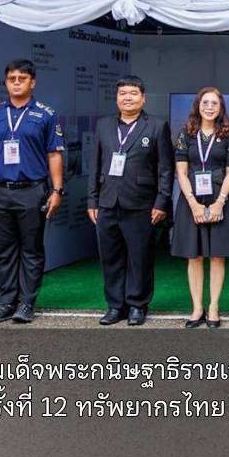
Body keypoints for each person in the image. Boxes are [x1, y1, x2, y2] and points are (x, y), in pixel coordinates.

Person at [0, 59, 66, 324]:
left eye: (22, 78)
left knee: (31, 249)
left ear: (32, 82)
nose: (16, 83)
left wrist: (57, 190)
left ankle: (26, 303)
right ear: (6, 82)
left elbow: (54, 155)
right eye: (12, 78)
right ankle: (7, 302)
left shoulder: (45, 115)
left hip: (32, 191)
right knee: (5, 250)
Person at [87, 76, 174, 327]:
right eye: (123, 93)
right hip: (107, 203)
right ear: (116, 98)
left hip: (142, 204)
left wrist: (161, 203)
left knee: (140, 257)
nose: (127, 97)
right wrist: (92, 201)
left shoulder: (157, 126)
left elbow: (165, 170)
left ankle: (137, 305)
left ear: (143, 98)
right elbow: (94, 165)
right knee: (110, 257)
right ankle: (115, 306)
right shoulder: (104, 125)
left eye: (133, 93)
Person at [171, 87, 229, 329]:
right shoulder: (186, 134)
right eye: (205, 102)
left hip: (220, 198)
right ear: (198, 105)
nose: (209, 107)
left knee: (217, 256)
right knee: (195, 255)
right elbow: (181, 170)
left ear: (221, 107)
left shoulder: (228, 134)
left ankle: (213, 307)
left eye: (214, 103)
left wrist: (220, 201)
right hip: (191, 200)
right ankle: (197, 307)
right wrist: (192, 203)